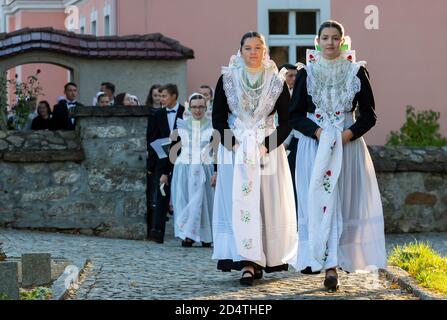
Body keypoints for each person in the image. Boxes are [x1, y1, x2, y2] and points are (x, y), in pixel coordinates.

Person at [288, 20, 386, 291]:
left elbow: (369, 114)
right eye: (325, 38)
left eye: (335, 38)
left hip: (348, 145)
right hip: (314, 146)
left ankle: (340, 259)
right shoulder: (307, 73)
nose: (330, 43)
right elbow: (294, 115)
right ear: (317, 41)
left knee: (342, 202)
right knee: (319, 201)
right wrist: (318, 132)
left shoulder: (357, 71)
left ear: (342, 41)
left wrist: (348, 134)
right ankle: (326, 264)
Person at [212, 31, 297, 286]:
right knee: (238, 202)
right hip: (235, 150)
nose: (252, 52)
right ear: (240, 51)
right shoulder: (227, 79)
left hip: (266, 150)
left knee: (264, 202)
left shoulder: (276, 81)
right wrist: (234, 145)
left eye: (257, 47)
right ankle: (245, 261)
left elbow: (288, 120)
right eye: (247, 48)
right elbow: (217, 118)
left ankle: (262, 257)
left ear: (265, 51)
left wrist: (266, 146)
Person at [170, 93, 217, 247]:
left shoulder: (212, 125)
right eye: (195, 107)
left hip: (205, 166)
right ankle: (188, 234)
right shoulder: (182, 124)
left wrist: (217, 170)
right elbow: (173, 148)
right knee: (185, 200)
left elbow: (217, 150)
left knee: (206, 201)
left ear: (206, 107)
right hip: (184, 167)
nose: (198, 110)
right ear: (190, 108)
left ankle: (206, 235)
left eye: (201, 107)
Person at [148, 84, 185, 243]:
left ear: (174, 96)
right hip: (162, 160)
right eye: (160, 96)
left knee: (183, 195)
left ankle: (186, 234)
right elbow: (151, 139)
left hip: (183, 159)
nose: (161, 99)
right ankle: (157, 231)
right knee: (162, 195)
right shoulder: (157, 114)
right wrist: (154, 165)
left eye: (164, 96)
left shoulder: (185, 113)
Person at [280, 63, 299, 206]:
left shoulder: (298, 97)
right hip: (271, 141)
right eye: (290, 75)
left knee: (292, 182)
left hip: (290, 143)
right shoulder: (274, 94)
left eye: (295, 76)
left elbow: (292, 123)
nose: (293, 79)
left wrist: (285, 142)